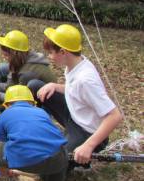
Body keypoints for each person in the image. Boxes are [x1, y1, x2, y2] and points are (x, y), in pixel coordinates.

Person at [30, 24, 123, 167]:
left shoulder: (86, 80)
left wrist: (89, 146)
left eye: (51, 53)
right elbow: (75, 90)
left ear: (62, 52)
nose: (49, 57)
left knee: (49, 168)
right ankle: (40, 130)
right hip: (73, 116)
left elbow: (115, 116)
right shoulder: (75, 64)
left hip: (86, 132)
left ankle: (80, 152)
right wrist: (55, 86)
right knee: (36, 87)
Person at [0, 30, 55, 111]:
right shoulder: (23, 58)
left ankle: (8, 107)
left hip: (42, 102)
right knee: (2, 68)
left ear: (15, 54)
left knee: (29, 87)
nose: (4, 57)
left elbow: (20, 97)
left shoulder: (27, 73)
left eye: (6, 55)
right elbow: (10, 86)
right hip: (26, 90)